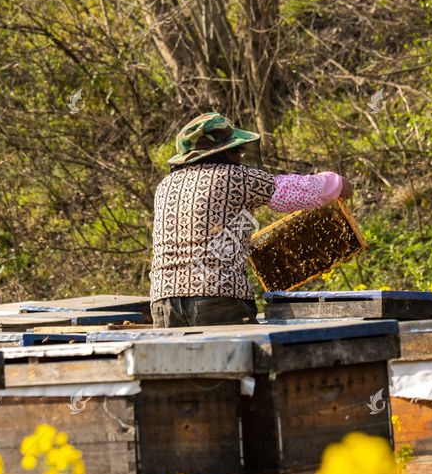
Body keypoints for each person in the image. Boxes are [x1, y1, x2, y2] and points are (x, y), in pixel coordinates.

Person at [150, 112, 353, 328]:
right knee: (245, 360)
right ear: (223, 152)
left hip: (163, 301)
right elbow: (293, 191)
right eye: (237, 149)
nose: (240, 155)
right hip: (215, 295)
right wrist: (339, 184)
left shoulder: (166, 185)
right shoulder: (236, 176)